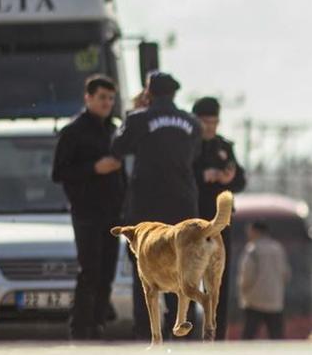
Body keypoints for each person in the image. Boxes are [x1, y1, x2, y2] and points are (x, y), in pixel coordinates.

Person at [110, 71, 200, 340]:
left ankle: (146, 333)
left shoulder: (139, 119)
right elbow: (191, 155)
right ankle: (182, 331)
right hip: (183, 206)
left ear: (148, 92)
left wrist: (133, 111)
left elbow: (117, 146)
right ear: (174, 93)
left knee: (145, 272)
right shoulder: (191, 123)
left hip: (146, 208)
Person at [51, 74, 127, 340]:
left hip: (113, 212)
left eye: (110, 98)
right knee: (90, 270)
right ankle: (80, 327)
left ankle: (98, 324)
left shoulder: (115, 130)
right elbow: (59, 172)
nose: (107, 103)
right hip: (86, 212)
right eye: (102, 97)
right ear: (88, 98)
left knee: (107, 271)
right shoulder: (74, 131)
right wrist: (94, 168)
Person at [191, 96, 247, 340]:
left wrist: (227, 179)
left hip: (220, 223)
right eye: (205, 123)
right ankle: (186, 331)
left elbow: (241, 179)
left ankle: (217, 334)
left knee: (218, 281)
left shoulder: (224, 147)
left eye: (214, 123)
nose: (210, 128)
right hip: (193, 222)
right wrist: (204, 176)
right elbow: (181, 175)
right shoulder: (187, 146)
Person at [237, 220, 290, 340]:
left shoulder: (252, 249)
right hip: (275, 301)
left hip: (254, 301)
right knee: (277, 337)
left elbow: (246, 275)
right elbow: (285, 274)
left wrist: (243, 293)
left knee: (248, 337)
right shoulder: (278, 248)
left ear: (255, 231)